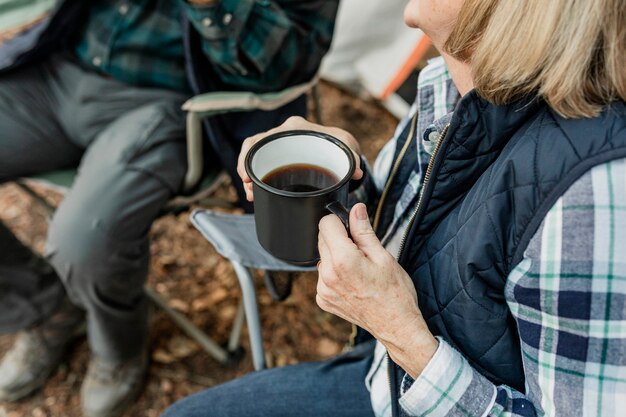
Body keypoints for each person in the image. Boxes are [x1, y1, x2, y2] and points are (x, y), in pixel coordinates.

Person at [162, 0, 626, 416]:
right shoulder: (454, 78)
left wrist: (401, 333)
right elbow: (424, 228)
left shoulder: (593, 199)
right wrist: (346, 180)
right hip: (385, 371)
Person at [0, 1, 339, 416]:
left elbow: (288, 65)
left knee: (83, 241)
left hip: (168, 102)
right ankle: (43, 307)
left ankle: (117, 346)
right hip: (61, 67)